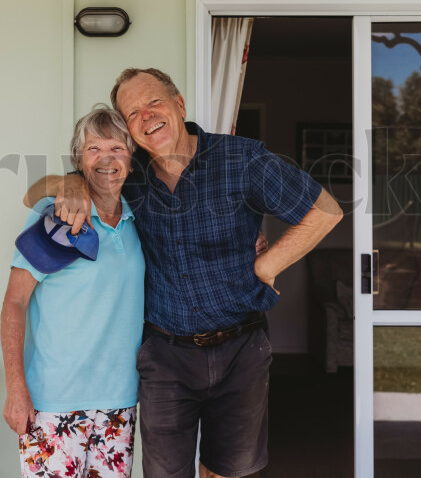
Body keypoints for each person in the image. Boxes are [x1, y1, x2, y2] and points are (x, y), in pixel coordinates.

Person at [25, 68, 343, 478]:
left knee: (229, 472)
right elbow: (34, 193)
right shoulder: (128, 174)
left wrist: (267, 264)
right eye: (133, 112)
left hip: (241, 349)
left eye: (153, 102)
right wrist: (68, 182)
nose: (146, 116)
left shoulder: (241, 159)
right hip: (165, 355)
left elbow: (327, 210)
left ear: (179, 104)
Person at [0, 104, 145, 478]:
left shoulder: (138, 220)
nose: (106, 159)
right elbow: (15, 302)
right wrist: (16, 386)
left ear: (132, 157)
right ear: (79, 159)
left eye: (117, 147)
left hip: (119, 401)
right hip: (53, 400)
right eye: (94, 149)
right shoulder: (57, 217)